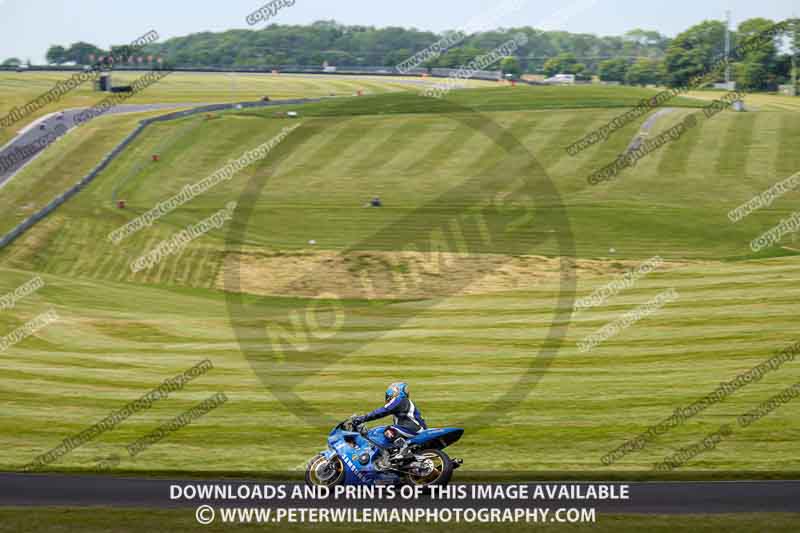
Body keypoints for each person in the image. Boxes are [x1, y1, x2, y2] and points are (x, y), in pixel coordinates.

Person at [353, 382, 427, 461]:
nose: (388, 398)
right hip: (415, 428)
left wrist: (363, 418)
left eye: (388, 396)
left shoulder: (399, 400)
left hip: (413, 428)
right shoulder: (404, 402)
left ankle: (404, 449)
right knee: (387, 432)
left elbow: (383, 411)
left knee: (389, 430)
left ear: (395, 392)